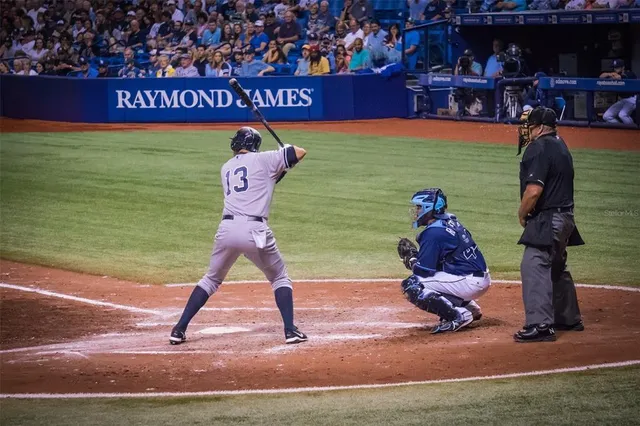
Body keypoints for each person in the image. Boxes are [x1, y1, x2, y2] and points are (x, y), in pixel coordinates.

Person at [170, 127, 308, 345]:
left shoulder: (226, 167)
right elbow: (300, 152)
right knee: (279, 277)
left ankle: (179, 329)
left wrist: (282, 163)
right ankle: (290, 330)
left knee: (211, 279)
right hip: (254, 231)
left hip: (226, 230)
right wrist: (286, 149)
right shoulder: (264, 159)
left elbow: (264, 181)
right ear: (255, 145)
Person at [515, 107, 584, 343]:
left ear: (542, 127)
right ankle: (567, 318)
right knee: (555, 266)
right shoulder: (560, 143)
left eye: (531, 126)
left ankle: (540, 326)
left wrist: (522, 213)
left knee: (533, 263)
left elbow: (534, 191)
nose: (527, 131)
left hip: (549, 218)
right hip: (566, 218)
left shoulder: (539, 147)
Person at [397, 188, 490, 334]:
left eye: (419, 207)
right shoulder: (450, 221)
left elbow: (425, 271)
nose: (416, 211)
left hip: (468, 282)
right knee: (433, 278)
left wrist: (411, 260)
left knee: (412, 285)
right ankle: (469, 307)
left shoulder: (433, 233)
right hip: (476, 276)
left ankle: (459, 316)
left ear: (429, 208)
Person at [600, 59, 637, 125]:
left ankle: (633, 130)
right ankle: (621, 128)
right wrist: (609, 74)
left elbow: (619, 77)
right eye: (614, 67)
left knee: (622, 115)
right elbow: (601, 77)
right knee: (606, 116)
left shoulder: (629, 73)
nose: (615, 69)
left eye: (617, 67)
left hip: (632, 99)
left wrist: (612, 75)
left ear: (623, 67)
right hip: (623, 100)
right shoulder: (614, 74)